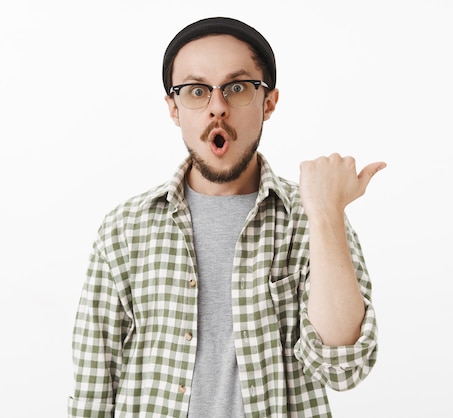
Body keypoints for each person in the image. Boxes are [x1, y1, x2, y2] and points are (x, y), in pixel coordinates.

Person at [68, 16, 385, 418]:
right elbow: (93, 388)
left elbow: (344, 368)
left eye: (237, 88)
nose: (217, 107)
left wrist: (324, 214)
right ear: (174, 108)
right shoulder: (125, 229)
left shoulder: (313, 220)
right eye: (197, 91)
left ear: (268, 102)